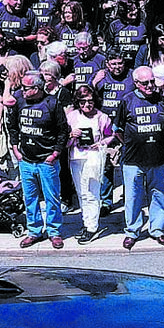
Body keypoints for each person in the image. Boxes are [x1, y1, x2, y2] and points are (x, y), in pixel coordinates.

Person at [115, 66, 164, 249]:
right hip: (133, 159)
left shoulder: (162, 100)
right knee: (133, 197)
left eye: (152, 81)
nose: (150, 86)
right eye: (145, 83)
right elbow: (117, 130)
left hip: (157, 158)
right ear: (136, 83)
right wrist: (131, 142)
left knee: (158, 194)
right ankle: (132, 231)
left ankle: (157, 229)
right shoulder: (127, 101)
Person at [8, 71, 68, 249]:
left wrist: (55, 154)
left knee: (52, 197)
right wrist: (15, 148)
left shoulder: (52, 103)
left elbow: (63, 131)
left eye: (26, 88)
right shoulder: (19, 101)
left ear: (37, 88)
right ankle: (34, 231)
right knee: (30, 198)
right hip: (26, 159)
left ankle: (54, 231)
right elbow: (11, 126)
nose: (23, 91)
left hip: (46, 159)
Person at [65, 85, 114, 245]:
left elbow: (111, 135)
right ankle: (86, 223)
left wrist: (100, 143)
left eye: (90, 101)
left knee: (92, 192)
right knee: (81, 193)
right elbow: (64, 139)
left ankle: (92, 227)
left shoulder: (102, 117)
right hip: (76, 157)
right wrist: (71, 135)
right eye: (82, 102)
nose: (87, 105)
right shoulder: (71, 116)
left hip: (93, 157)